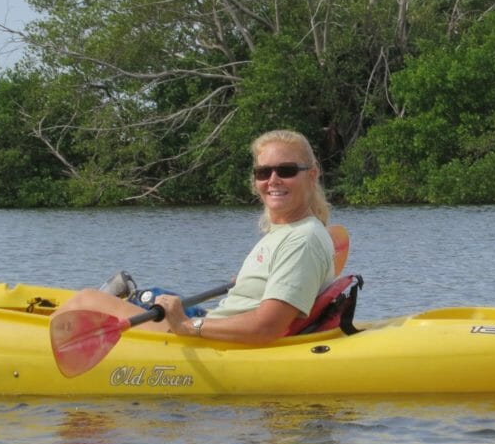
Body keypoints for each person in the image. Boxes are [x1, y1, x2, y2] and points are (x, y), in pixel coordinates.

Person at [55, 130, 336, 344]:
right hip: (215, 322)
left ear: (312, 175)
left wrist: (187, 327)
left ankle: (34, 349)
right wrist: (252, 284)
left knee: (86, 301)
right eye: (263, 172)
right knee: (146, 294)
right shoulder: (293, 230)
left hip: (215, 337)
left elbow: (267, 327)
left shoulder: (303, 240)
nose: (272, 180)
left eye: (285, 171)